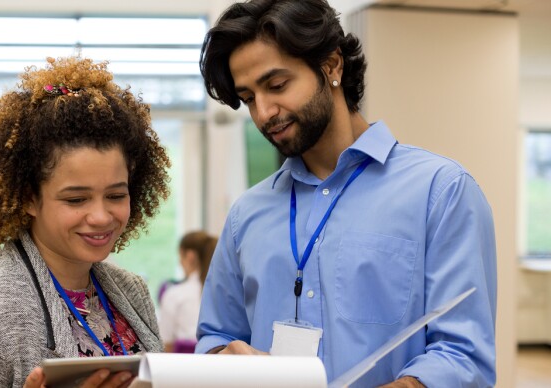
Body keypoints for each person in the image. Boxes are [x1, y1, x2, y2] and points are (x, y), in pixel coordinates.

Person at [195, 1, 497, 387]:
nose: (264, 112)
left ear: (332, 65)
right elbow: (215, 338)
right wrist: (223, 359)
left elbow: (464, 357)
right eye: (250, 98)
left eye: (277, 85)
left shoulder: (441, 192)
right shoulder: (246, 214)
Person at [0, 56, 171, 388]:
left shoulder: (131, 292)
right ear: (28, 198)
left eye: (115, 195)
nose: (100, 217)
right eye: (76, 199)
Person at [158, 231, 217, 352]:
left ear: (190, 256)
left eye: (180, 256)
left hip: (183, 367)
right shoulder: (226, 292)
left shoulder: (175, 294)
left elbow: (166, 345)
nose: (179, 263)